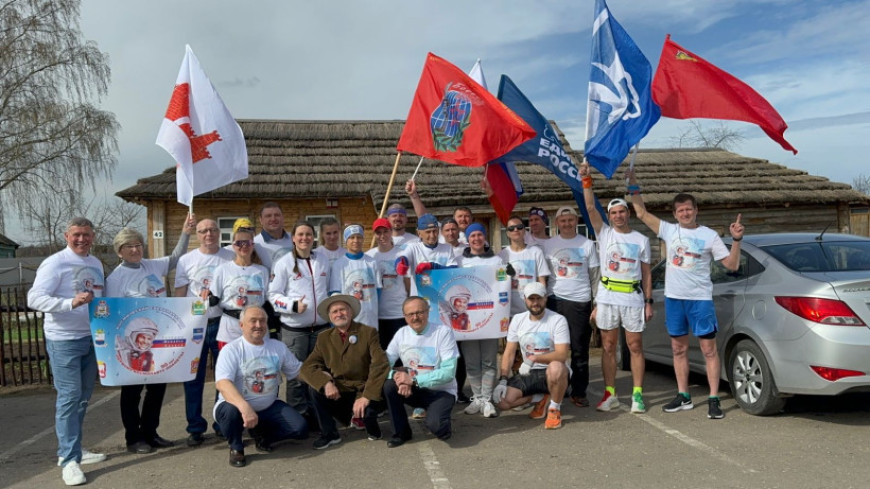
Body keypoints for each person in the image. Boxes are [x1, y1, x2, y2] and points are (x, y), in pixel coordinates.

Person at [627, 169, 744, 419]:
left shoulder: (709, 235)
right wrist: (633, 184)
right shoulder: (669, 231)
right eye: (680, 210)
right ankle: (684, 396)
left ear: (696, 210)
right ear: (674, 214)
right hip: (674, 299)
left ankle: (713, 398)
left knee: (708, 350)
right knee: (678, 350)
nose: (685, 213)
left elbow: (732, 265)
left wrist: (736, 240)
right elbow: (641, 213)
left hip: (700, 300)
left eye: (689, 209)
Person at [27, 217, 107, 486]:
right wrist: (69, 303)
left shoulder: (95, 263)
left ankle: (74, 448)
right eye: (76, 235)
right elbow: (34, 298)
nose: (81, 239)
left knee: (82, 398)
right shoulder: (55, 263)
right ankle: (68, 459)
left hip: (90, 338)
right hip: (64, 340)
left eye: (86, 234)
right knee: (70, 397)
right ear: (66, 236)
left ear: (93, 236)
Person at [106, 215, 195, 454]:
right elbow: (113, 314)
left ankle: (150, 432)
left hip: (157, 339)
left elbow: (175, 258)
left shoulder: (151, 266)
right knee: (132, 391)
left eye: (138, 245)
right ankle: (133, 438)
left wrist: (186, 232)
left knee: (157, 389)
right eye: (129, 246)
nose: (135, 250)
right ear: (120, 251)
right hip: (133, 342)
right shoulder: (116, 279)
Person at [579, 162, 652, 413]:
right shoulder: (604, 234)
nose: (618, 216)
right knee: (608, 346)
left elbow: (646, 273)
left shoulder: (641, 239)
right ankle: (610, 394)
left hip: (632, 297)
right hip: (608, 297)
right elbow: (590, 207)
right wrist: (586, 181)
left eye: (622, 212)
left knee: (635, 346)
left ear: (628, 214)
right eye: (614, 213)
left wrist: (648, 302)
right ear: (609, 216)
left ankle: (637, 395)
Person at [214, 306, 308, 467]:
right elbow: (223, 383)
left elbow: (298, 371)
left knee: (300, 428)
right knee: (230, 412)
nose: (258, 325)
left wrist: (323, 380)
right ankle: (236, 447)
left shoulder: (277, 347)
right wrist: (245, 407)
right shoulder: (231, 350)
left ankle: (263, 436)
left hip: (268, 406)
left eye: (262, 321)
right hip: (236, 407)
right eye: (253, 321)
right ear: (242, 325)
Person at [300, 294, 389, 449]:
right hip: (339, 393)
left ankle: (366, 419)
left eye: (342, 309)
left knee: (371, 424)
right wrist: (326, 382)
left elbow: (380, 364)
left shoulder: (368, 332)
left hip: (363, 390)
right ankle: (329, 434)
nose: (339, 314)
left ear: (351, 312)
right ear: (330, 316)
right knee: (315, 388)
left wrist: (366, 396)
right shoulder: (323, 338)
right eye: (334, 311)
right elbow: (307, 367)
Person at [175, 218, 235, 446]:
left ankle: (222, 422)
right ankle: (195, 427)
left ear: (219, 232)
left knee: (224, 375)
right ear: (197, 234)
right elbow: (180, 293)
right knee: (193, 377)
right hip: (195, 325)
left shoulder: (230, 256)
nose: (208, 234)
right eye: (203, 231)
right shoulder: (186, 260)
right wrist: (180, 324)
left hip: (223, 322)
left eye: (212, 230)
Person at [269, 220, 331, 421]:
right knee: (296, 376)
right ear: (293, 238)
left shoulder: (322, 260)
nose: (305, 238)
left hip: (321, 328)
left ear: (314, 237)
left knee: (318, 372)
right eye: (300, 234)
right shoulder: (284, 263)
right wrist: (292, 305)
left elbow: (329, 289)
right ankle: (299, 417)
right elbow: (273, 295)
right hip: (294, 330)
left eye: (308, 234)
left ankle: (319, 414)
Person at [541, 206, 599, 408]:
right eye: (563, 220)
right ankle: (555, 387)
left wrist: (596, 302)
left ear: (576, 221)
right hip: (554, 300)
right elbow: (543, 274)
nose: (567, 224)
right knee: (552, 348)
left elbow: (595, 276)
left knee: (579, 348)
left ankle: (579, 391)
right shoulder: (549, 245)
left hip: (580, 301)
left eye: (570, 220)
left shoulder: (587, 244)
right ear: (557, 223)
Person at [382, 297, 460, 447]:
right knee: (389, 386)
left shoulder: (443, 333)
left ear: (428, 312)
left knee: (437, 427)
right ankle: (401, 433)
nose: (415, 317)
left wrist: (413, 380)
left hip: (441, 392)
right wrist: (399, 377)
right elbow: (383, 365)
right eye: (410, 314)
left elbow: (448, 372)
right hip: (414, 389)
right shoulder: (401, 333)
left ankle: (442, 424)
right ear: (404, 316)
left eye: (419, 312)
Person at [493, 283, 571, 430]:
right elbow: (509, 352)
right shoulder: (518, 320)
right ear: (525, 299)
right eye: (531, 299)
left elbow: (562, 354)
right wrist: (502, 380)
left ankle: (554, 408)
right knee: (501, 401)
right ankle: (539, 398)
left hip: (553, 371)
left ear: (545, 298)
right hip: (529, 372)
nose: (535, 303)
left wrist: (533, 358)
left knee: (555, 367)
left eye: (539, 298)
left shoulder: (558, 320)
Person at [455, 223, 504, 418]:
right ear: (468, 239)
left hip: (490, 317)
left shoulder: (497, 259)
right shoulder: (459, 261)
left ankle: (487, 399)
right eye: (472, 235)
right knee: (472, 361)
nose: (476, 239)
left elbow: (504, 281)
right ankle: (477, 398)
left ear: (485, 237)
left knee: (489, 360)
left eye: (479, 235)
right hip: (468, 320)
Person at [207, 224, 270, 348]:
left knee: (257, 358)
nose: (244, 246)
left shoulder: (262, 271)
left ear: (253, 245)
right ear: (233, 245)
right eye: (239, 243)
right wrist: (204, 297)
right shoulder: (222, 270)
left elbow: (268, 300)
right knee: (229, 360)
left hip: (256, 325)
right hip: (230, 327)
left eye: (247, 243)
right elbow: (214, 298)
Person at [365, 218, 408, 351]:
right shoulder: (369, 256)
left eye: (385, 231)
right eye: (378, 233)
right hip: (377, 314)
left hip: (398, 312)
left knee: (400, 353)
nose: (382, 236)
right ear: (374, 235)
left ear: (391, 232)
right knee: (382, 353)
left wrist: (408, 304)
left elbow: (408, 282)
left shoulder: (402, 254)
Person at [328, 224, 379, 329]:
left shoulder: (372, 262)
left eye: (359, 237)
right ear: (346, 240)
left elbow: (378, 290)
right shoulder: (339, 264)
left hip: (371, 320)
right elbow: (335, 294)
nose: (356, 240)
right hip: (349, 321)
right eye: (352, 237)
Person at [253, 202, 294, 271]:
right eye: (268, 216)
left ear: (282, 217)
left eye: (277, 215)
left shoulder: (295, 239)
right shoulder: (254, 244)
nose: (273, 219)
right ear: (261, 220)